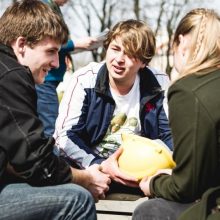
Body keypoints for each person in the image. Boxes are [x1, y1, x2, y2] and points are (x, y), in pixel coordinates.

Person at [0, 1, 110, 219]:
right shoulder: (11, 75)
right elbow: (40, 165)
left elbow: (19, 158)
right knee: (76, 200)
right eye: (51, 51)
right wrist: (86, 177)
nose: (56, 63)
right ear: (21, 44)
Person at [54, 19, 173, 194]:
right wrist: (99, 165)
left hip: (142, 173)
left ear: (143, 62)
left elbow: (169, 134)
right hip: (94, 170)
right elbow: (64, 137)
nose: (119, 60)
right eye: (115, 49)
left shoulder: (159, 82)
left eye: (130, 54)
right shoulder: (84, 79)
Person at [132, 8, 220, 220]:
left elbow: (185, 187)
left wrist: (153, 183)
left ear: (181, 43)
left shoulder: (188, 90)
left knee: (148, 211)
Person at [36, 0, 100, 137]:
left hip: (49, 79)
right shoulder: (43, 7)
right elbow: (46, 40)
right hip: (45, 79)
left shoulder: (52, 8)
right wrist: (75, 44)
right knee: (51, 128)